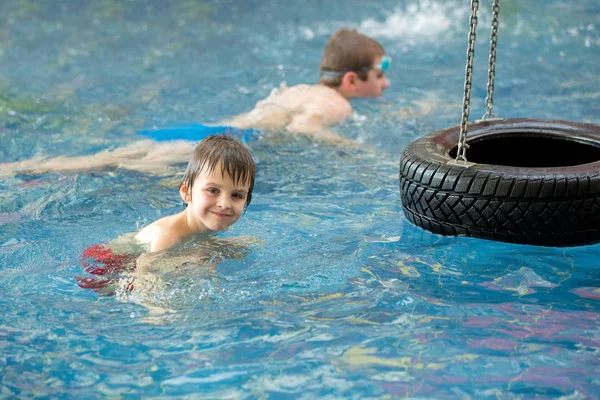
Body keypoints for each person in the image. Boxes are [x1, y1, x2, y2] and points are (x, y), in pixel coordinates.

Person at [0, 28, 389, 177]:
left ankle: (18, 168)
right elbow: (306, 129)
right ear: (352, 80)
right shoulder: (338, 105)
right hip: (216, 142)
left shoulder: (304, 89)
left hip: (205, 130)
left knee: (112, 156)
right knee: (112, 167)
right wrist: (357, 152)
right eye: (381, 72)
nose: (386, 83)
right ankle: (23, 172)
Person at [76, 134, 256, 297]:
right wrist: (158, 313)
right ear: (186, 192)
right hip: (109, 265)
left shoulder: (210, 221)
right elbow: (146, 277)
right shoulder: (167, 234)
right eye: (213, 190)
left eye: (236, 195)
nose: (224, 204)